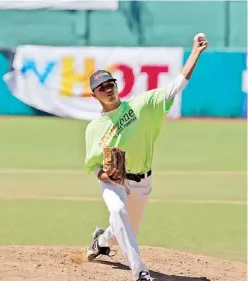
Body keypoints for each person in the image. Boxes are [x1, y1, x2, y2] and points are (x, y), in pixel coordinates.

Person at [84, 33, 208, 281]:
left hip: (143, 182)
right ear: (94, 95)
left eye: (110, 84)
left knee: (126, 230)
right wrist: (105, 175)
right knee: (118, 211)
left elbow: (178, 84)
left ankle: (101, 240)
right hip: (114, 183)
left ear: (117, 86)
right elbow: (93, 166)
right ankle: (140, 273)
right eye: (101, 88)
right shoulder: (94, 128)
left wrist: (194, 52)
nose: (108, 89)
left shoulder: (142, 105)